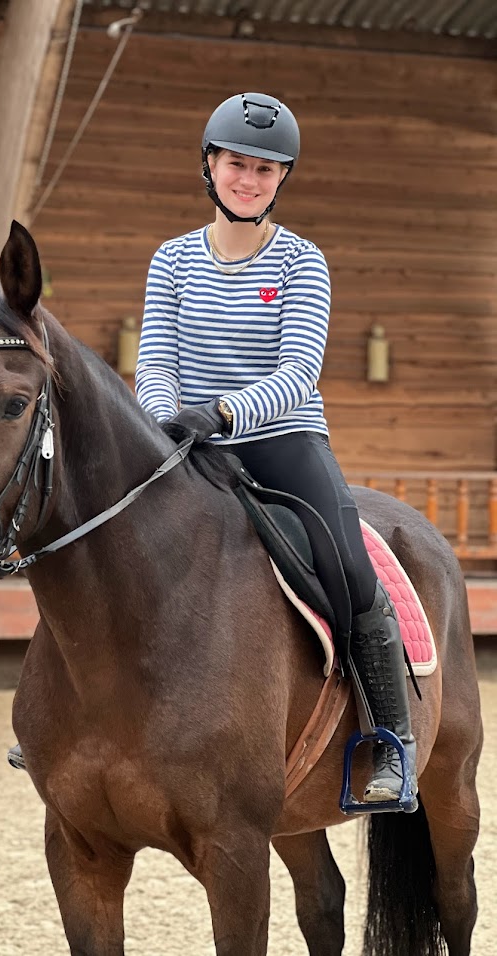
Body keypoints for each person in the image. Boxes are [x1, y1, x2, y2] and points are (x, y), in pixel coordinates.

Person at [135, 92, 417, 809]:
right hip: (183, 442)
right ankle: (65, 708)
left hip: (281, 438)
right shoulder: (170, 261)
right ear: (209, 165)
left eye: (265, 170)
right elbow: (156, 363)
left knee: (348, 567)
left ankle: (390, 740)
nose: (248, 181)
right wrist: (163, 421)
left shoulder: (301, 261)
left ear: (279, 179)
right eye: (236, 165)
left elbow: (298, 373)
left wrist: (222, 412)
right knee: (106, 537)